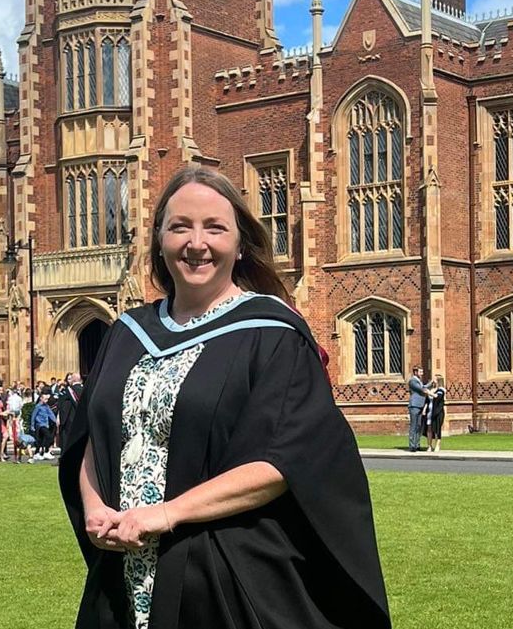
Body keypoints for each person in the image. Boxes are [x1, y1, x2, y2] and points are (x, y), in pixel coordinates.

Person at [58, 166, 390, 629]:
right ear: (158, 240)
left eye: (215, 227)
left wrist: (167, 514)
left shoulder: (272, 334)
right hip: (121, 578)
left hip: (224, 577)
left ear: (240, 244)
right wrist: (95, 509)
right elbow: (97, 434)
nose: (197, 243)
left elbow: (282, 461)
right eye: (180, 227)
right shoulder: (126, 333)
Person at [407, 365, 434, 453]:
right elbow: (421, 389)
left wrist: (431, 382)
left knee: (419, 426)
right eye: (420, 372)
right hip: (414, 405)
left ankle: (417, 444)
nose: (422, 374)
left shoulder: (419, 381)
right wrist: (431, 393)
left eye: (422, 372)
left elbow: (424, 386)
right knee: (413, 426)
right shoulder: (412, 381)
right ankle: (412, 446)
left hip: (420, 405)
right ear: (415, 372)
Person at [30, 392, 56, 462]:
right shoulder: (38, 406)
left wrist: (56, 421)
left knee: (41, 440)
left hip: (45, 424)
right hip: (40, 425)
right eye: (45, 399)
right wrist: (32, 425)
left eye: (47, 399)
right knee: (49, 437)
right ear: (41, 398)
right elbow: (33, 416)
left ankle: (37, 453)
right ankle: (46, 452)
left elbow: (50, 414)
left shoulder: (46, 406)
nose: (46, 400)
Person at [425, 379, 447, 453]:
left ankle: (437, 445)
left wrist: (429, 393)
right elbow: (427, 401)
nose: (433, 383)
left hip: (438, 412)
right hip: (430, 412)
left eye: (435, 382)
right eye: (433, 382)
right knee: (429, 429)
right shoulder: (432, 389)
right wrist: (424, 409)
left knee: (437, 429)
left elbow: (437, 397)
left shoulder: (441, 390)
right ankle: (429, 446)